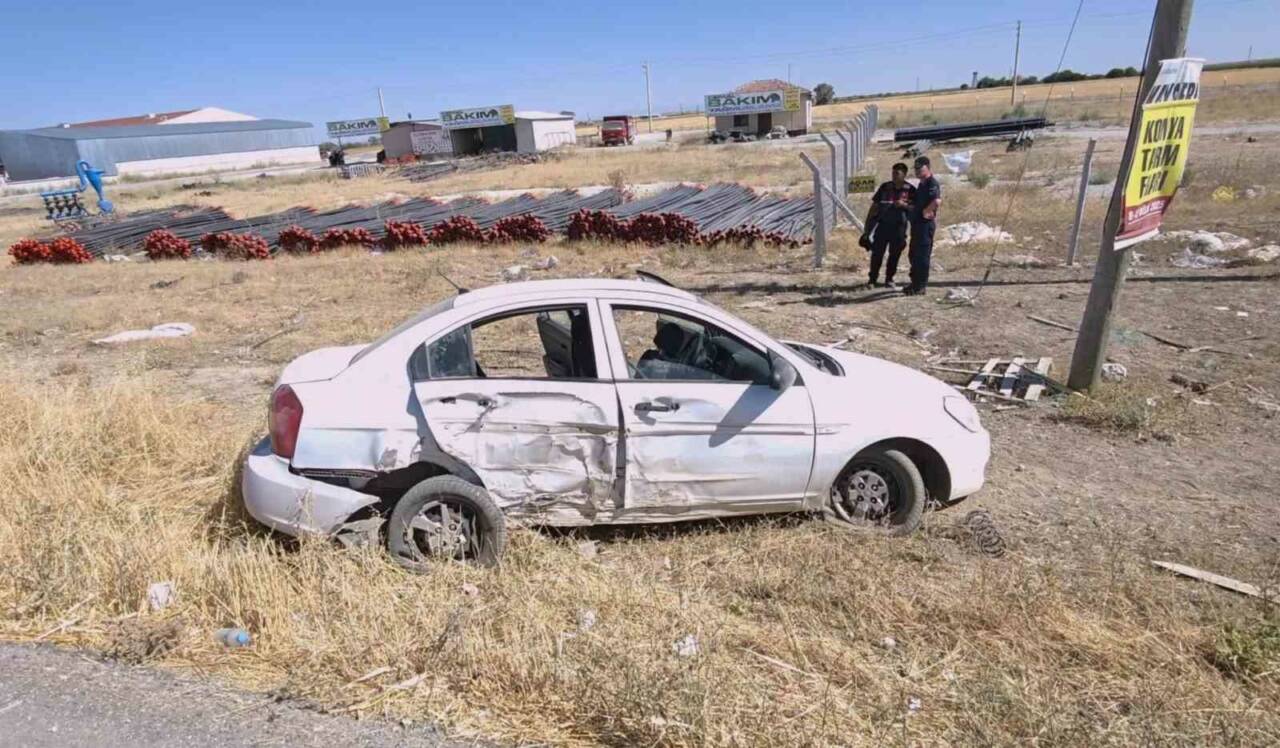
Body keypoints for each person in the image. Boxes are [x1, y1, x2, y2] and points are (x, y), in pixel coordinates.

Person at [861, 163, 916, 287]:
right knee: (877, 254)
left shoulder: (910, 189)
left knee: (895, 254)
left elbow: (915, 208)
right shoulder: (885, 187)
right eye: (893, 173)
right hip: (883, 226)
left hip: (899, 227)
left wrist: (904, 205)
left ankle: (889, 278)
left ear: (904, 175)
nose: (894, 176)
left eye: (897, 174)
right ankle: (872, 279)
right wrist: (868, 227)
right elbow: (874, 206)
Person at [905, 155, 942, 296]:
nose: (917, 171)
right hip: (917, 225)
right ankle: (914, 283)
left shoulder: (932, 183)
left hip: (925, 225)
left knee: (922, 256)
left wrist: (927, 211)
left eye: (920, 168)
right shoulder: (922, 183)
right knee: (914, 254)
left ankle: (921, 286)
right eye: (916, 169)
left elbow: (937, 201)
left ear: (928, 168)